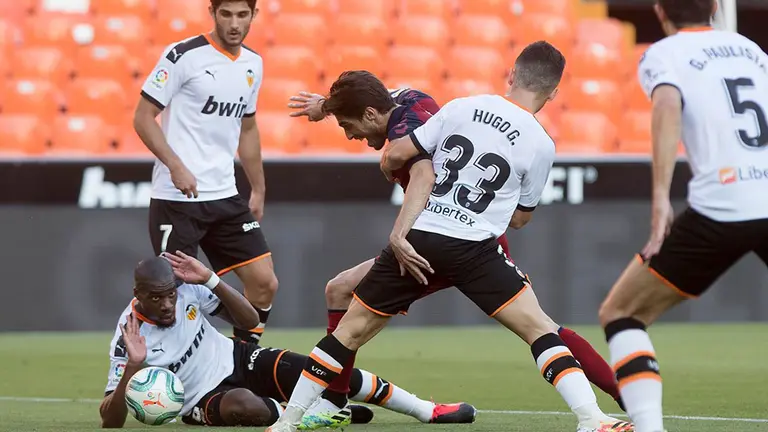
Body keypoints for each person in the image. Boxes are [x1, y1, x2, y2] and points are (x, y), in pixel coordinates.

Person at [268, 42, 633, 432]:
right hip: (475, 248)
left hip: (419, 238)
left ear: (511, 75)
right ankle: (594, 417)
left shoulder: (461, 106)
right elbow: (522, 220)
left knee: (348, 329)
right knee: (542, 330)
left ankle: (289, 421)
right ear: (554, 94)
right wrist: (327, 107)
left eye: (349, 127)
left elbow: (408, 158)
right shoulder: (540, 142)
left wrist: (390, 173)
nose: (351, 135)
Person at [597, 1, 768, 432]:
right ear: (714, 7)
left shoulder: (664, 53)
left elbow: (667, 107)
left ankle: (650, 428)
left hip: (721, 208)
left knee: (622, 313)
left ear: (659, 12)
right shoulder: (751, 49)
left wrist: (659, 201)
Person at [99, 254, 477, 429]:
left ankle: (426, 411)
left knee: (321, 369)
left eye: (170, 294)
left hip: (237, 357)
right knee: (244, 407)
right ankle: (320, 415)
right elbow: (109, 422)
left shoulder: (188, 292)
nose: (168, 304)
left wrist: (211, 280)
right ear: (137, 293)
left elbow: (249, 320)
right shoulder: (128, 335)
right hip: (201, 401)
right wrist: (134, 365)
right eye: (157, 298)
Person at [133, 0, 277, 345]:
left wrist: (257, 187)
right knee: (170, 295)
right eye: (226, 14)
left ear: (253, 16)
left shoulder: (253, 63)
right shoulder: (184, 55)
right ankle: (141, 369)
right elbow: (142, 117)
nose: (234, 23)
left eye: (243, 15)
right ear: (212, 13)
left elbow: (248, 128)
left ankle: (242, 362)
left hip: (226, 196)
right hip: (177, 198)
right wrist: (175, 165)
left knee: (263, 283)